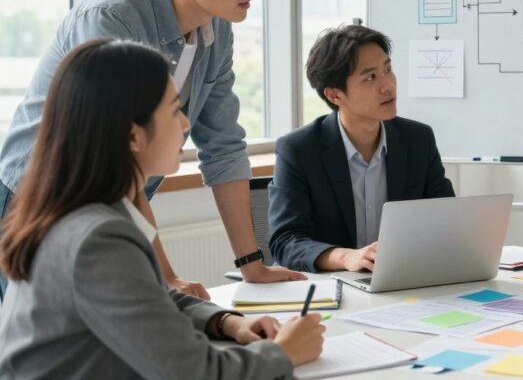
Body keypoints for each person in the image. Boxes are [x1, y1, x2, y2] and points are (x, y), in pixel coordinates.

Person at [0, 0, 304, 302]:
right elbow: (113, 155)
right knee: (44, 349)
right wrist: (166, 276)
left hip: (111, 198)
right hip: (37, 196)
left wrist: (252, 263)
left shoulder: (218, 32)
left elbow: (224, 145)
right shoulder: (112, 19)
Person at [0, 39, 325, 379]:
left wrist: (225, 320)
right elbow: (192, 372)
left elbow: (149, 299)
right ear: (133, 137)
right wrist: (282, 353)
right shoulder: (99, 238)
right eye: (174, 110)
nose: (186, 125)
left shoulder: (93, 210)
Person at [269, 25, 454, 272]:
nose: (388, 85)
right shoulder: (299, 150)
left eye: (388, 70)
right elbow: (286, 241)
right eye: (370, 77)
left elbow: (447, 220)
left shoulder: (418, 140)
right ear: (335, 96)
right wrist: (347, 258)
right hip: (334, 288)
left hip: (403, 282)